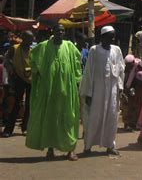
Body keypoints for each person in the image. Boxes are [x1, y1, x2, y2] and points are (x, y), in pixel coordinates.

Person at [26, 24, 82, 161]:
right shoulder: (44, 46)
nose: (60, 33)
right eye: (58, 30)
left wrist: (77, 82)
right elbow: (33, 60)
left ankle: (70, 150)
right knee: (50, 118)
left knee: (68, 118)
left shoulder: (69, 46)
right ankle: (50, 149)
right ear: (53, 31)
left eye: (63, 30)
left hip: (67, 91)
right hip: (49, 90)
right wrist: (39, 75)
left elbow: (77, 64)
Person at [80, 26, 125, 156]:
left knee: (112, 118)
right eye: (110, 36)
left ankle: (110, 145)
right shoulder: (94, 50)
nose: (113, 39)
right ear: (103, 37)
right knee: (94, 118)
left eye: (113, 36)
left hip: (112, 91)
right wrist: (88, 93)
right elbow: (88, 72)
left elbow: (121, 69)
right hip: (96, 92)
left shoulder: (116, 50)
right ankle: (88, 147)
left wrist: (120, 88)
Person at [2, 30, 34, 137]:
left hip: (30, 80)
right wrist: (11, 70)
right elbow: (6, 60)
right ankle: (8, 129)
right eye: (29, 38)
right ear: (23, 38)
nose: (31, 40)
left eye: (32, 38)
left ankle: (25, 128)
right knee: (16, 104)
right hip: (18, 79)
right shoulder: (14, 49)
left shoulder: (33, 50)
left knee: (29, 105)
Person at [121, 54, 142, 131]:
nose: (128, 66)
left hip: (136, 86)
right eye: (127, 65)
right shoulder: (124, 67)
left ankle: (134, 123)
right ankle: (127, 123)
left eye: (130, 65)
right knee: (126, 105)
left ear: (133, 62)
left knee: (135, 105)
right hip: (126, 86)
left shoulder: (139, 65)